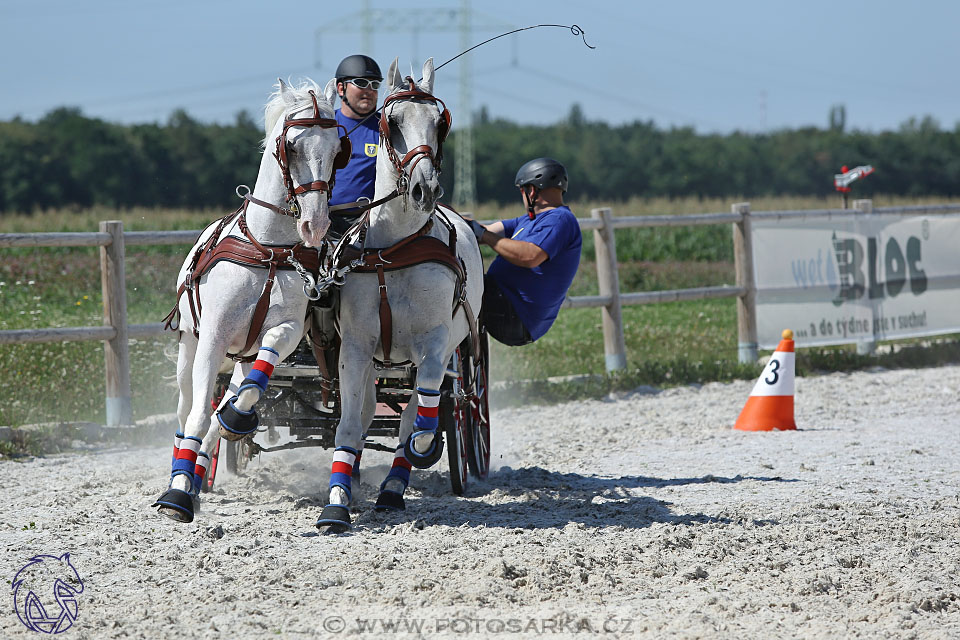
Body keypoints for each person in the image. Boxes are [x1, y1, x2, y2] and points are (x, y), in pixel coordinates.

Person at [468, 157, 582, 346]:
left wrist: (485, 235)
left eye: (522, 190)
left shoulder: (560, 220)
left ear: (531, 190)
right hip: (505, 304)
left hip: (515, 313)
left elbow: (529, 256)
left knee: (450, 285)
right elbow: (480, 230)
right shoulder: (529, 220)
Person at [329, 54, 383, 234]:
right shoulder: (324, 127)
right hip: (324, 222)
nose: (369, 90)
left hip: (372, 225)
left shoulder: (387, 130)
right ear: (341, 88)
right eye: (361, 83)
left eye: (375, 85)